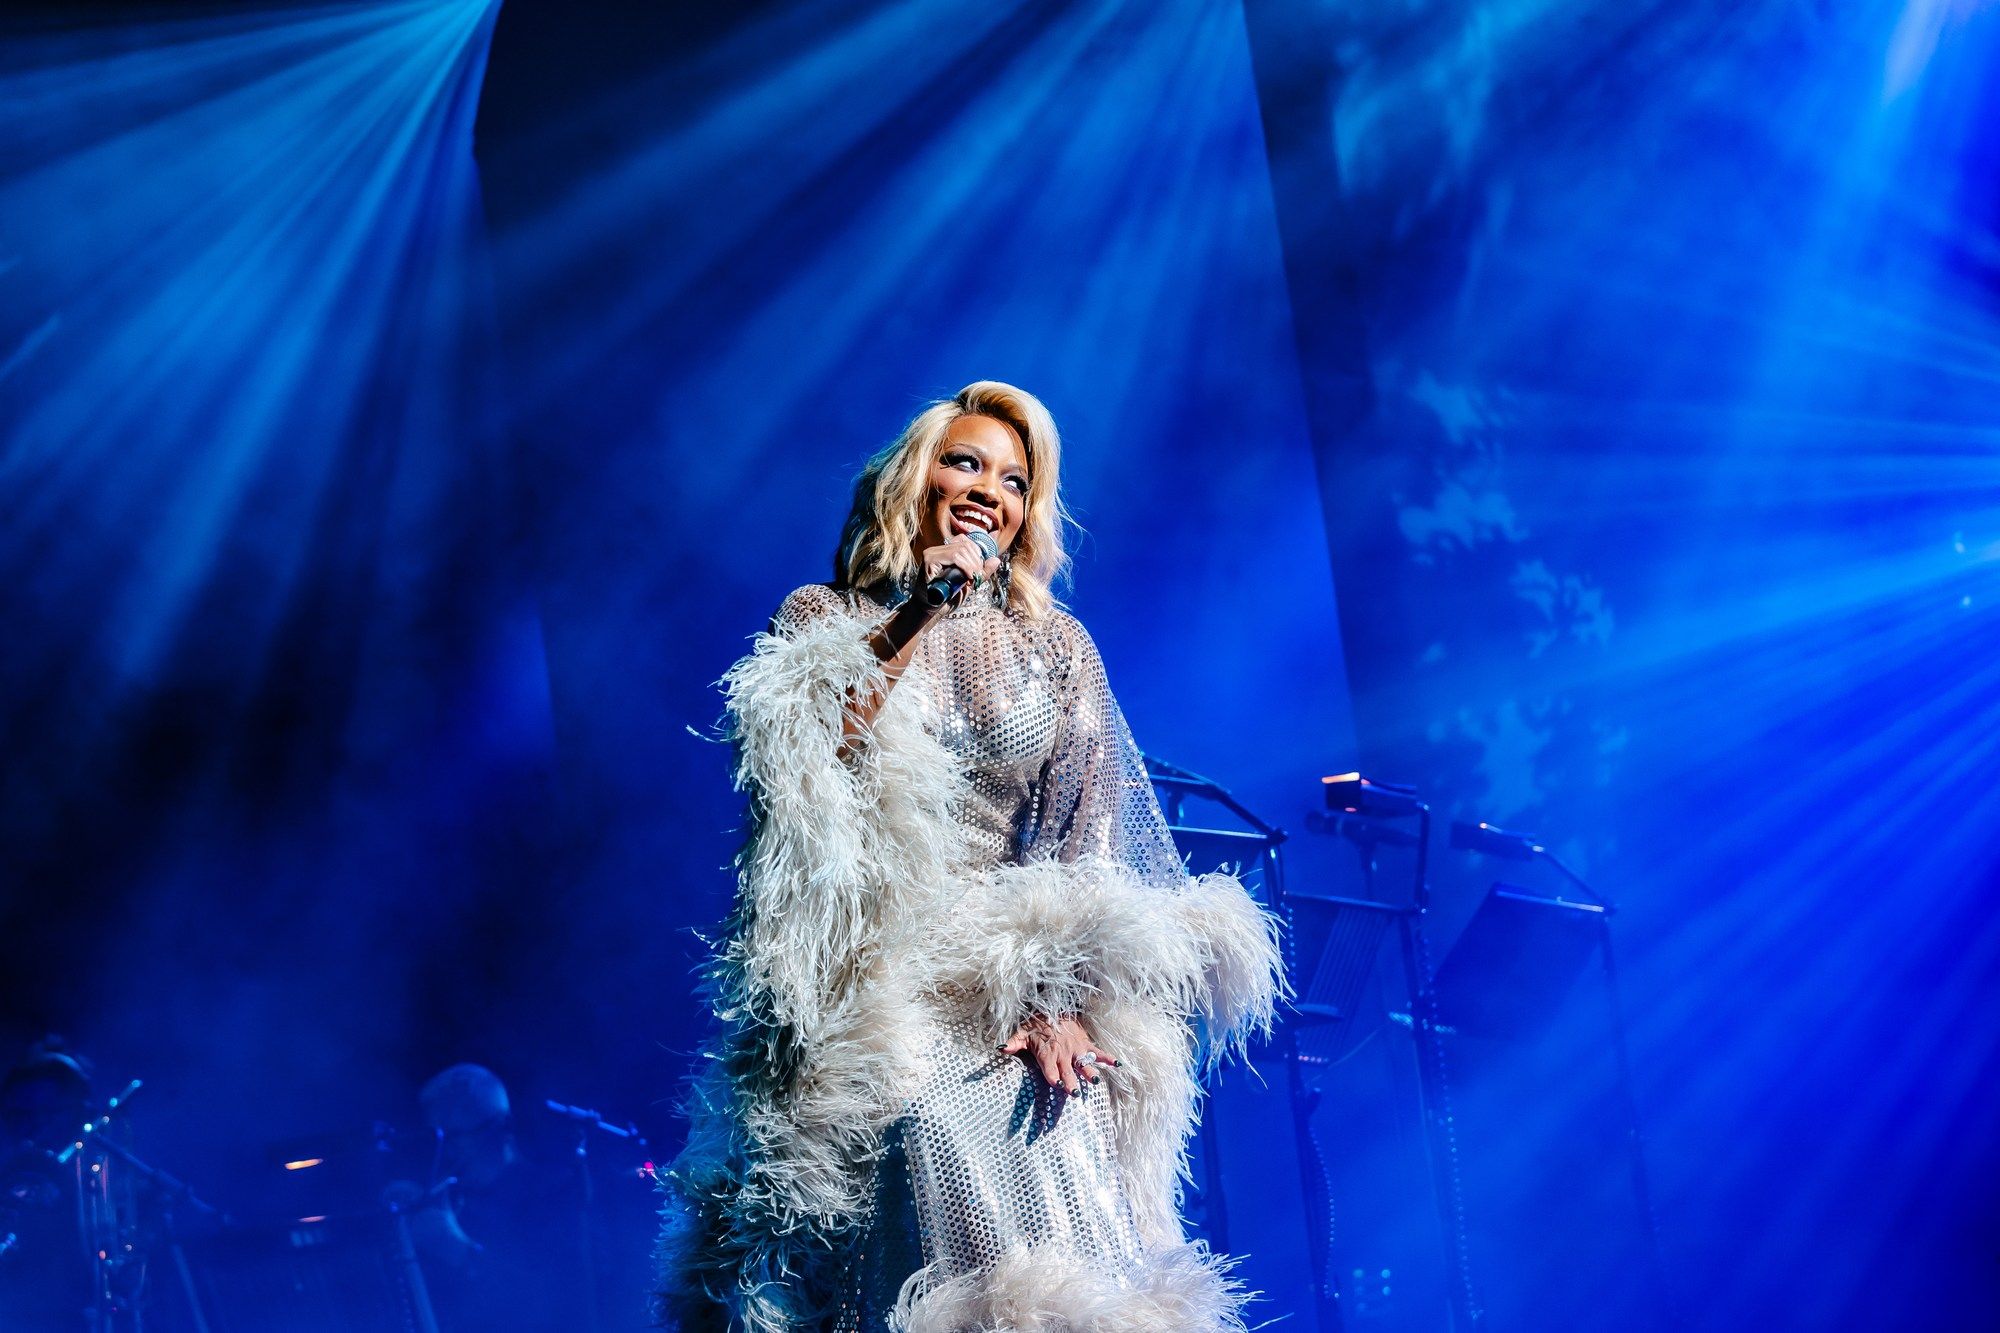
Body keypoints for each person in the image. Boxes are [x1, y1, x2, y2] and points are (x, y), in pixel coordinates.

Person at [654, 381, 1284, 1331]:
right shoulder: (823, 615)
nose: (989, 487)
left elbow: (1086, 842)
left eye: (1015, 478)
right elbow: (818, 758)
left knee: (1051, 1115)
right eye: (965, 461)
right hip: (874, 971)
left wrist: (1056, 1003)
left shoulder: (1057, 645)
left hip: (1015, 970)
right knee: (926, 1124)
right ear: (915, 480)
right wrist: (922, 606)